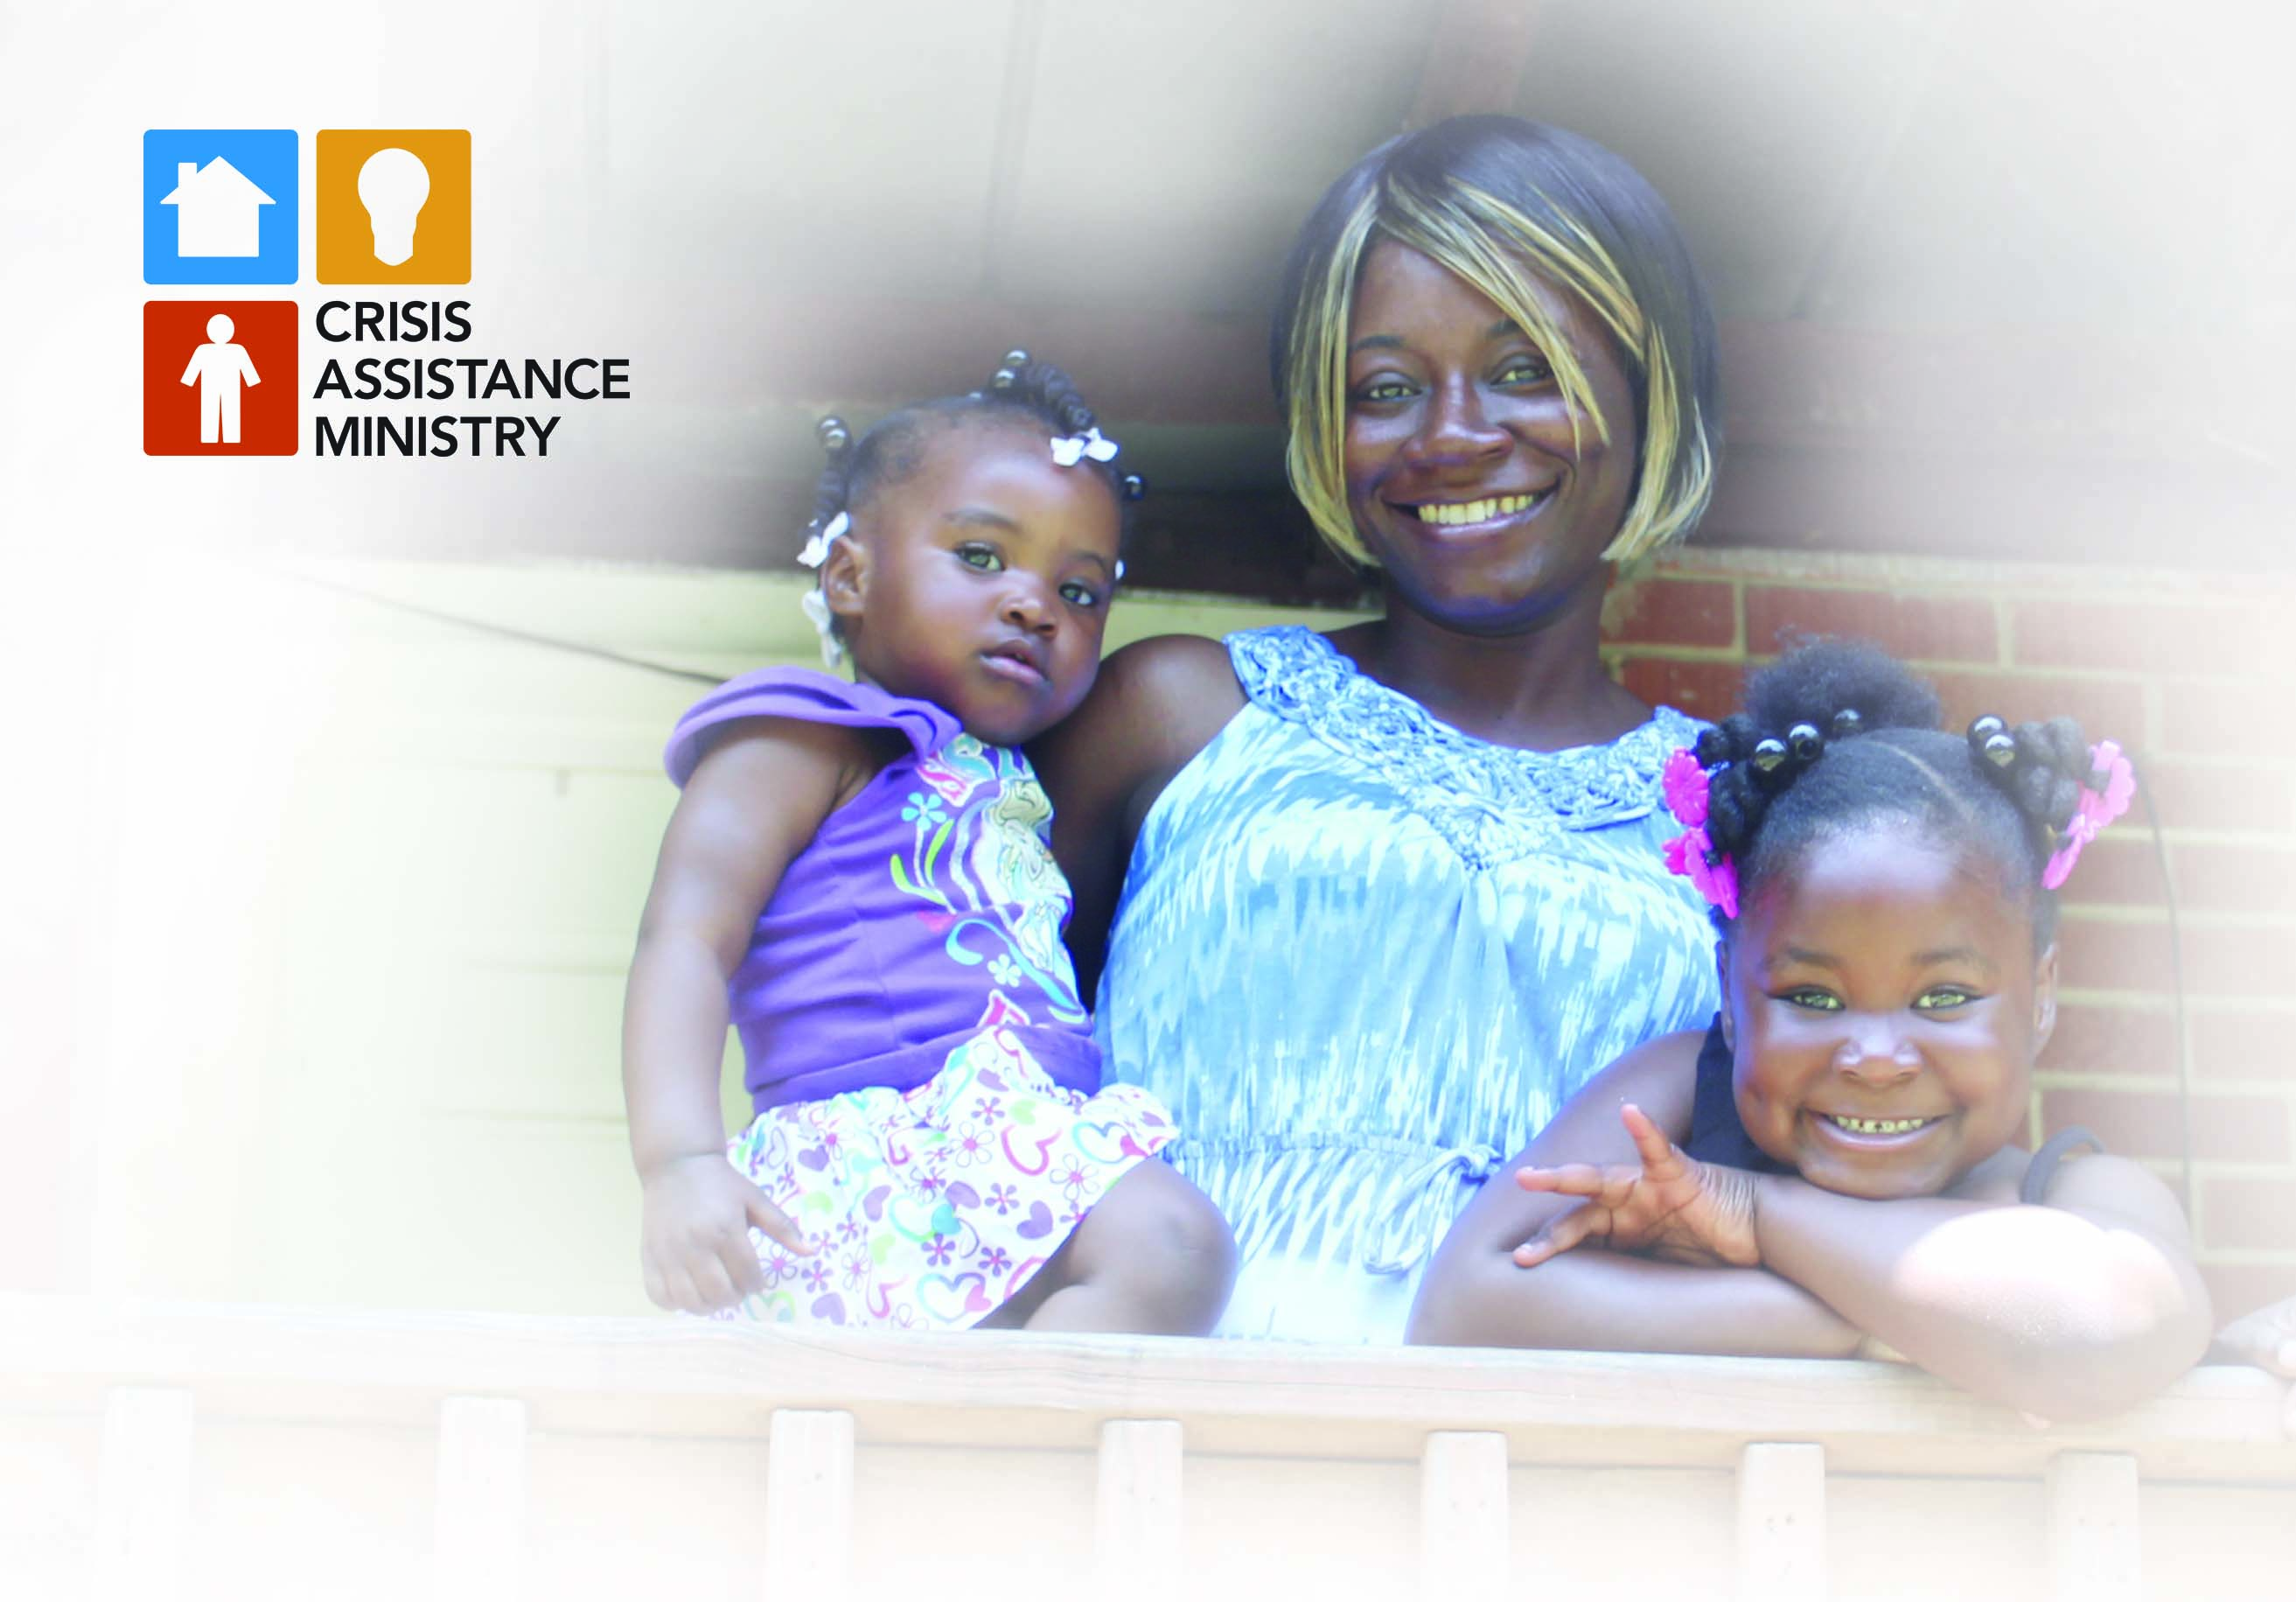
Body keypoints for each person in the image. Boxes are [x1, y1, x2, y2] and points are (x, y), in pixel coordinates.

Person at [1030, 116, 1725, 1341]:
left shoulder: (1746, 811)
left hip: (1565, 1484)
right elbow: (951, 1044)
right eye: (1386, 390)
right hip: (1157, 1458)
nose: (1453, 433)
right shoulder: (1178, 715)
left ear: (1645, 389)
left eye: (1525, 370)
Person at [1409, 640, 2215, 1422]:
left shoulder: (2070, 1191)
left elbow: (2104, 1330)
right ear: (1729, 989)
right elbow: (1461, 1306)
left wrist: (1756, 1212)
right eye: (1813, 997)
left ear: (2040, 995)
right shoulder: (1678, 1098)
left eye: (1941, 997)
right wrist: (1886, 1327)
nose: (1873, 1057)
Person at [622, 355, 1234, 1333]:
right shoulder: (807, 736)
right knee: (1165, 1240)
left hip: (1009, 1148)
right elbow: (685, 938)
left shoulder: (1025, 783)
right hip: (872, 1151)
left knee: (1171, 1251)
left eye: (1080, 593)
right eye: (984, 557)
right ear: (851, 576)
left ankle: (1002, 1469)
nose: (1036, 604)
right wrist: (681, 1161)